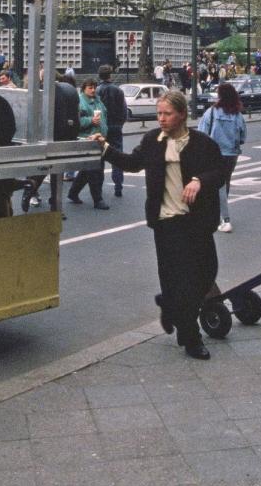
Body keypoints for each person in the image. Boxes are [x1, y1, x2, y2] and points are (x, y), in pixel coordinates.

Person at [93, 90, 223, 360]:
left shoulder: (201, 143)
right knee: (181, 281)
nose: (161, 119)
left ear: (182, 115)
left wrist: (199, 180)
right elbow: (131, 163)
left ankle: (169, 303)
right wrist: (105, 148)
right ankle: (191, 339)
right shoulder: (152, 141)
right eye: (158, 113)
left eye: (167, 114)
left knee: (207, 272)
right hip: (166, 222)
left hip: (196, 221)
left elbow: (219, 172)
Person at [197, 81, 246, 232]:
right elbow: (243, 135)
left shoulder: (212, 112)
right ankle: (221, 213)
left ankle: (223, 217)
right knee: (225, 182)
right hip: (231, 154)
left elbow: (202, 132)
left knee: (215, 184)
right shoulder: (237, 114)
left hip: (214, 153)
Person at [68, 77, 110, 209]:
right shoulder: (80, 102)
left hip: (100, 140)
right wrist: (90, 121)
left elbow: (105, 115)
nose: (93, 90)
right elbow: (76, 122)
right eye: (90, 88)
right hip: (87, 140)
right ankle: (98, 200)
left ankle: (73, 193)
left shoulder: (98, 100)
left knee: (87, 171)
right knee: (94, 171)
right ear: (84, 89)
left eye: (94, 87)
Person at [97, 64, 128, 198]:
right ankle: (118, 186)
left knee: (100, 158)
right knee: (117, 157)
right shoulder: (118, 91)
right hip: (115, 126)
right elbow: (124, 110)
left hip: (102, 128)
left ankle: (98, 188)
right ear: (110, 75)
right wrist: (120, 124)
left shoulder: (97, 90)